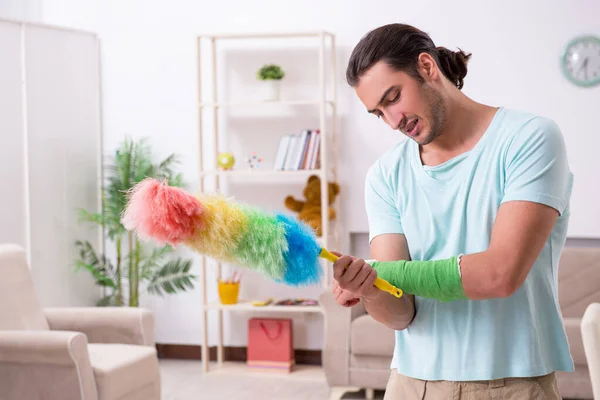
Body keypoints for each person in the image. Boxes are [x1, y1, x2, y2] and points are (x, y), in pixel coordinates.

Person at [331, 23, 574, 399]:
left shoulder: (529, 138)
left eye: (393, 97)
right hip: (411, 384)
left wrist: (381, 272)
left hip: (512, 383)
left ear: (427, 67)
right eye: (378, 113)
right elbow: (401, 314)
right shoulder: (385, 175)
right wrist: (370, 288)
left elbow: (500, 275)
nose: (394, 121)